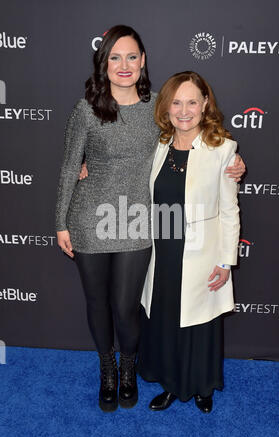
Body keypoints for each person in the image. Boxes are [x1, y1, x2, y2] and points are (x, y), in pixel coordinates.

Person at [56, 25, 245, 413]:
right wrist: (60, 222)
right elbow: (68, 167)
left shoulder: (161, 105)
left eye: (132, 57)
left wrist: (235, 163)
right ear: (103, 62)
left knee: (127, 307)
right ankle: (107, 370)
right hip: (91, 219)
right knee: (97, 304)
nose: (124, 65)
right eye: (115, 57)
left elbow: (199, 137)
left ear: (143, 62)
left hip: (139, 221)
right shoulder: (85, 109)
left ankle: (129, 369)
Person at [136, 71, 240, 413]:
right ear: (166, 107)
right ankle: (169, 384)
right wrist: (89, 166)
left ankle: (201, 387)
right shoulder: (159, 144)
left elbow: (229, 210)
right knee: (165, 320)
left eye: (192, 101)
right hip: (163, 251)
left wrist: (226, 261)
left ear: (205, 103)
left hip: (202, 254)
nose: (184, 110)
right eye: (176, 102)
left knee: (200, 324)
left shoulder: (223, 149)